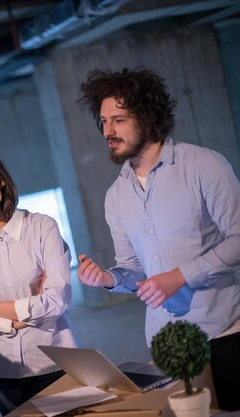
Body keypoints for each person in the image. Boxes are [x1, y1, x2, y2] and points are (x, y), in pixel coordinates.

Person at [77, 67, 240, 410]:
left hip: (225, 331)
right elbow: (133, 268)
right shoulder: (116, 195)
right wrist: (109, 278)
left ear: (148, 118)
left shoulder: (204, 165)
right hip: (166, 342)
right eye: (103, 122)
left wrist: (180, 276)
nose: (108, 131)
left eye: (118, 120)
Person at [0, 148, 77, 416]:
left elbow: (57, 302)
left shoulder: (42, 227)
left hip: (53, 360)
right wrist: (25, 315)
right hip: (1, 370)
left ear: (0, 179)